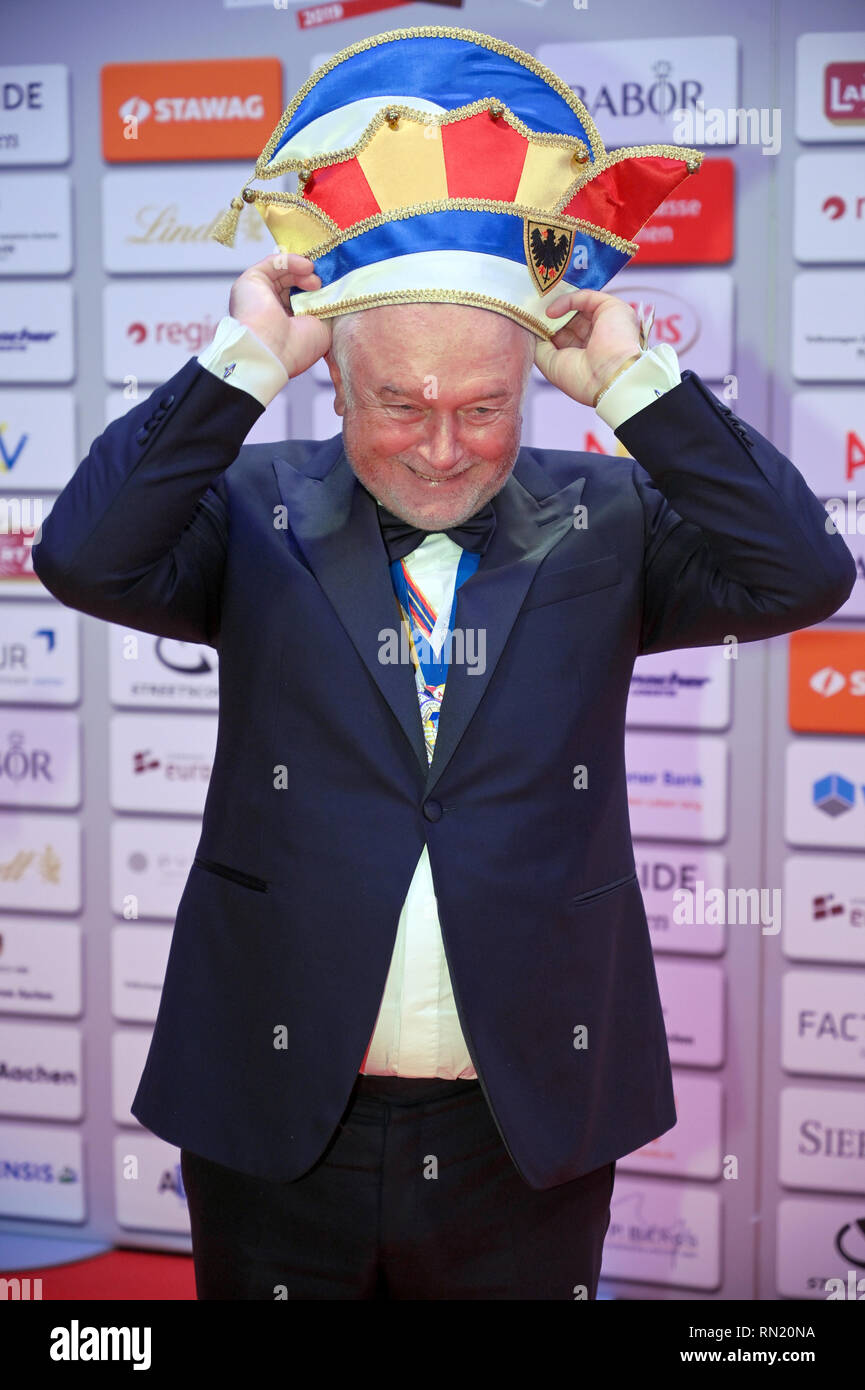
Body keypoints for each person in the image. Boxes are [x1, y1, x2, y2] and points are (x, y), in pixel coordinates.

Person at [31, 29, 857, 1300]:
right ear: (333, 377)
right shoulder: (249, 509)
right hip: (274, 1109)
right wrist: (242, 361)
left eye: (481, 407)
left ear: (535, 382)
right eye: (397, 405)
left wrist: (634, 383)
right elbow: (85, 555)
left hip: (521, 1127)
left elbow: (801, 571)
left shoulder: (609, 517)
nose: (437, 449)